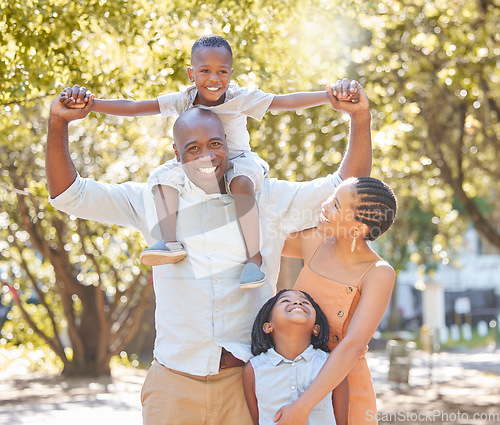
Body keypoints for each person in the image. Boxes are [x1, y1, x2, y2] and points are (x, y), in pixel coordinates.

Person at [46, 78, 372, 425]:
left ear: (228, 144)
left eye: (216, 144)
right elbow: (70, 195)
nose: (207, 156)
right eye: (193, 148)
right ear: (176, 153)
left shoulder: (268, 198)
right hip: (173, 383)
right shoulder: (154, 200)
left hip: (246, 384)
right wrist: (58, 123)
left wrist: (360, 119)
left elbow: (345, 188)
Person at [60, 34, 358, 288]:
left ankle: (253, 258)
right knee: (162, 179)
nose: (214, 80)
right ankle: (169, 242)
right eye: (205, 72)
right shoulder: (184, 99)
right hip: (196, 164)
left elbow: (285, 102)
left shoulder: (240, 98)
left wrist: (328, 97)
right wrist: (94, 105)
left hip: (238, 160)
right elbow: (137, 107)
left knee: (241, 185)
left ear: (231, 73)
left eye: (222, 72)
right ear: (192, 74)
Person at [274, 176, 398, 425]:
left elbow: (352, 346)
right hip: (291, 380)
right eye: (331, 198)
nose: (325, 205)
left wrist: (304, 405)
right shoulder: (313, 241)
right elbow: (263, 242)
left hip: (346, 391)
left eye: (336, 205)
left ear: (358, 229)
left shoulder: (379, 273)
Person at [243, 289, 349, 425]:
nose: (298, 302)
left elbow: (341, 421)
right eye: (285, 300)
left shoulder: (331, 364)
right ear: (268, 326)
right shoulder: (253, 370)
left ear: (316, 328)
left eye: (305, 302)